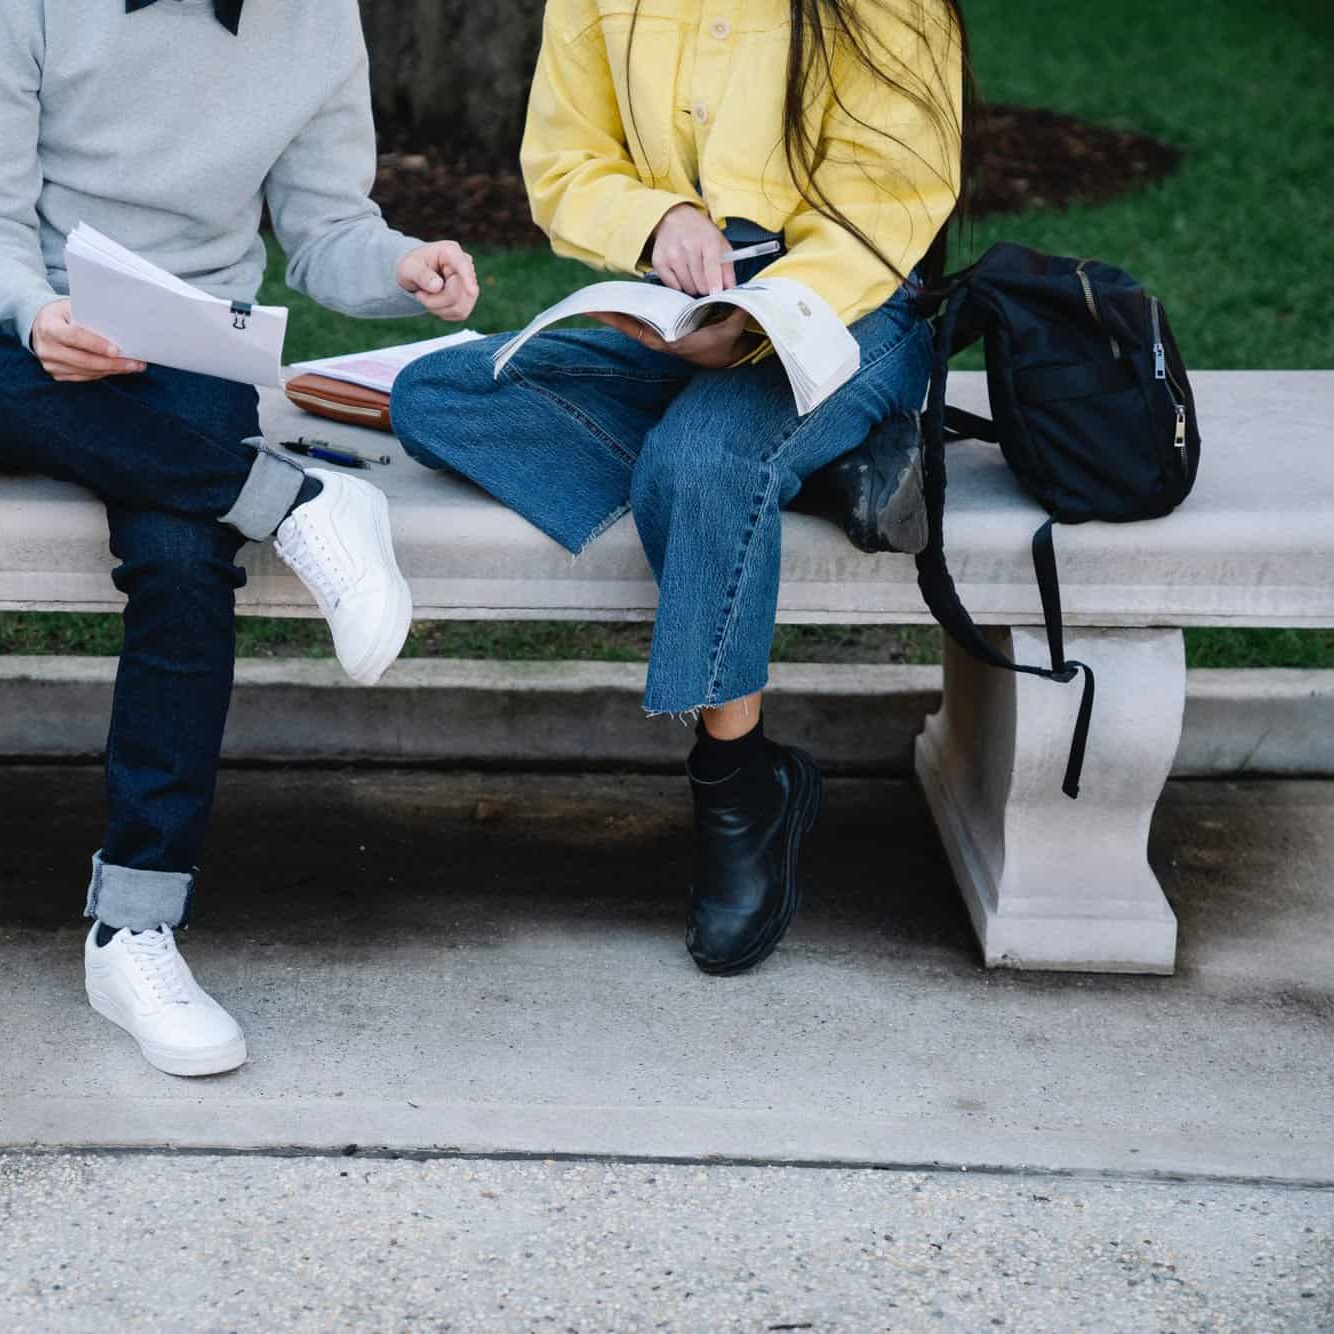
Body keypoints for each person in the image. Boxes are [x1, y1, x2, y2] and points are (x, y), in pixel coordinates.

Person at [0, 0, 478, 1076]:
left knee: (183, 550)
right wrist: (33, 313)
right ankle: (291, 501)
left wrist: (399, 266)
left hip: (194, 358)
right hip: (28, 347)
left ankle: (132, 926)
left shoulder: (315, 14)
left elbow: (325, 228)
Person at [392, 0, 969, 974]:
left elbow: (887, 212)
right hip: (687, 319)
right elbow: (563, 161)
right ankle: (819, 461)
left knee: (700, 461)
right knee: (437, 391)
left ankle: (740, 784)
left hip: (853, 312)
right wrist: (659, 219)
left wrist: (751, 324)